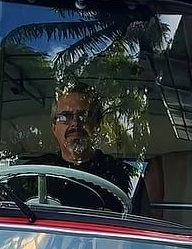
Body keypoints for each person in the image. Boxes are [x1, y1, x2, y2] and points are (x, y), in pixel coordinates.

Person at [19, 84, 140, 212]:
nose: (75, 123)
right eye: (65, 117)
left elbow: (141, 226)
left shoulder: (122, 175)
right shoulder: (31, 175)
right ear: (54, 128)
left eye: (84, 116)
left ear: (97, 125)